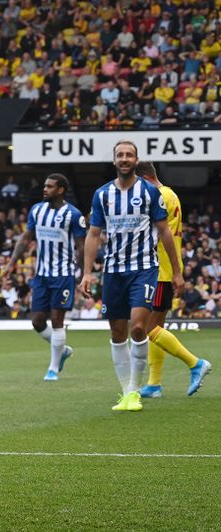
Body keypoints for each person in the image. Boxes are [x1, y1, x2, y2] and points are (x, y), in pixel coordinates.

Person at [78, 141, 184, 412]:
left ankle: (134, 392)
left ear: (136, 160)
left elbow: (164, 232)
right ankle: (127, 392)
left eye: (129, 155)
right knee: (117, 332)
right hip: (113, 271)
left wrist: (177, 272)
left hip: (144, 269)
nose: (124, 159)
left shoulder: (150, 192)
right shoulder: (102, 195)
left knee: (138, 327)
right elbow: (93, 234)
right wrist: (87, 273)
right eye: (120, 155)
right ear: (114, 161)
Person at [134, 161, 211, 397]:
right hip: (166, 269)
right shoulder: (171, 194)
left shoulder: (156, 195)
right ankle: (154, 384)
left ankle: (195, 363)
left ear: (144, 179)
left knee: (146, 329)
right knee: (157, 328)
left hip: (158, 270)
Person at [2, 174, 86, 381]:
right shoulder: (37, 210)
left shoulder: (73, 215)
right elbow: (25, 238)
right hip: (42, 274)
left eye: (50, 186)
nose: (45, 189)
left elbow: (82, 246)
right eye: (45, 185)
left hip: (63, 274)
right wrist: (11, 263)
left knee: (57, 320)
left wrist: (82, 273)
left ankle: (53, 369)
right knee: (37, 321)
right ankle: (62, 349)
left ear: (61, 190)